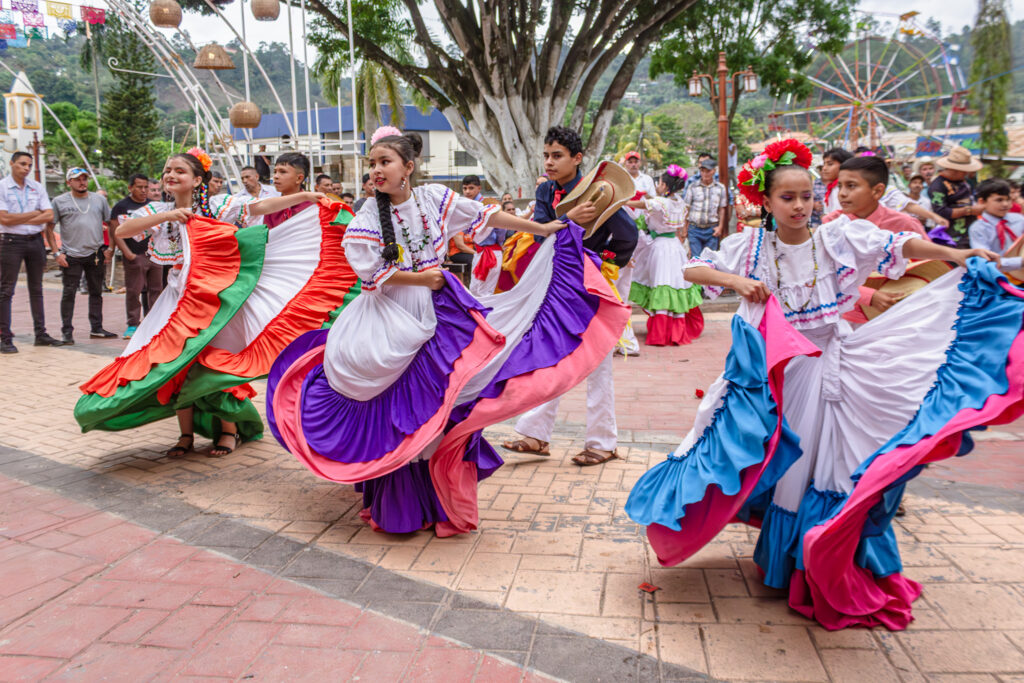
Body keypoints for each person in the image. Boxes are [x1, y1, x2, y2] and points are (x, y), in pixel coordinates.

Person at [626, 138, 1017, 631]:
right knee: (751, 451)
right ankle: (765, 549)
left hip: (824, 364)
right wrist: (740, 284)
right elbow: (691, 268)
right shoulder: (747, 246)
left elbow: (899, 246)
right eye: (787, 197)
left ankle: (798, 562)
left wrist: (956, 253)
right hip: (763, 370)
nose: (800, 206)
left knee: (816, 463)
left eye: (807, 196)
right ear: (765, 202)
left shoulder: (836, 237)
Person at [266, 128, 628, 536]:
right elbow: (372, 273)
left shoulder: (434, 197)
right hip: (390, 319)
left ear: (408, 166)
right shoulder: (369, 215)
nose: (376, 171)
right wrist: (429, 281)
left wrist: (547, 229)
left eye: (384, 162)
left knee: (441, 403)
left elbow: (486, 216)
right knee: (402, 411)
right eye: (372, 164)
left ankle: (434, 498)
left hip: (438, 313)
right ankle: (401, 501)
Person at [75, 148, 352, 459]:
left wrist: (304, 198)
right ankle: (185, 435)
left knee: (218, 360)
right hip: (178, 299)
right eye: (168, 170)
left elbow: (259, 205)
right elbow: (123, 230)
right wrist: (170, 215)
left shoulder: (219, 206)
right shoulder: (157, 212)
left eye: (179, 171)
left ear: (197, 180)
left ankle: (229, 431)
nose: (171, 175)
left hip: (217, 298)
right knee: (178, 362)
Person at [502, 126, 638, 466]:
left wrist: (605, 264)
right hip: (558, 281)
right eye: (546, 155)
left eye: (557, 156)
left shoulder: (598, 191)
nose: (549, 162)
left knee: (598, 363)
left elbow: (627, 235)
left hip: (592, 286)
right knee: (552, 354)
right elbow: (540, 236)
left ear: (577, 159)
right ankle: (536, 434)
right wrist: (569, 220)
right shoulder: (547, 191)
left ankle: (603, 442)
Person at [626, 165, 703, 345]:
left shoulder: (660, 203)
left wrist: (623, 202)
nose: (658, 185)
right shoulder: (679, 203)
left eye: (659, 182)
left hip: (660, 249)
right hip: (676, 248)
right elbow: (653, 202)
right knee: (674, 283)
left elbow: (644, 205)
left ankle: (661, 332)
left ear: (665, 185)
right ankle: (674, 328)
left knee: (661, 283)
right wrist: (646, 195)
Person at [46, 168, 116, 344]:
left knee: (96, 291)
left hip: (95, 253)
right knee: (69, 293)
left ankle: (97, 327)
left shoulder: (99, 200)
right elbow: (48, 228)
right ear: (69, 182)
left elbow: (112, 224)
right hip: (71, 254)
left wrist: (111, 248)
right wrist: (56, 253)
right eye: (77, 179)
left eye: (84, 179)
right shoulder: (59, 201)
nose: (82, 182)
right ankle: (67, 332)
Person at [0, 151, 60, 354]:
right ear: (12, 164)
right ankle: (5, 337)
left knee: (37, 288)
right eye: (22, 164)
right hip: (11, 242)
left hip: (35, 241)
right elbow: (4, 220)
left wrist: (21, 217)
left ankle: (40, 334)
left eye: (29, 164)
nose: (26, 168)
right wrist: (34, 214)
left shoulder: (37, 187)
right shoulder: (2, 187)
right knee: (7, 289)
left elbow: (49, 215)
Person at [112, 174, 162, 338]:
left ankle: (153, 323)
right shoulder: (121, 207)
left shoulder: (154, 206)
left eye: (145, 187)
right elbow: (115, 232)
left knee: (156, 290)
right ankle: (133, 324)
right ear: (130, 188)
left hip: (154, 255)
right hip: (135, 255)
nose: (143, 190)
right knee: (134, 291)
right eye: (139, 187)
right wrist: (128, 254)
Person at [928, 145, 983, 248]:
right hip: (952, 238)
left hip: (970, 233)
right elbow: (941, 212)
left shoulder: (964, 182)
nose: (966, 173)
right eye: (964, 170)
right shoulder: (938, 186)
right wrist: (969, 210)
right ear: (954, 169)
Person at [681, 158, 727, 257]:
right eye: (702, 171)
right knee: (696, 260)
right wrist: (684, 229)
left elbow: (722, 209)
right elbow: (686, 208)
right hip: (694, 229)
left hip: (712, 230)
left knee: (709, 259)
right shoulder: (692, 187)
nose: (705, 174)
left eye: (708, 171)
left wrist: (720, 227)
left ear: (714, 171)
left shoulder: (720, 188)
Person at [969, 178, 1024, 253]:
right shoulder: (978, 229)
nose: (1005, 204)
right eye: (999, 200)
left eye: (1008, 199)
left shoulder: (1019, 219)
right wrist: (1019, 261)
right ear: (982, 202)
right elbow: (986, 258)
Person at [820, 147, 853, 214]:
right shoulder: (832, 188)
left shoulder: (848, 189)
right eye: (824, 164)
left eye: (830, 164)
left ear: (843, 165)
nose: (824, 168)